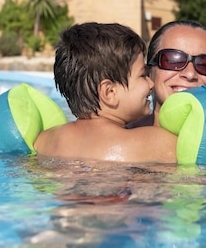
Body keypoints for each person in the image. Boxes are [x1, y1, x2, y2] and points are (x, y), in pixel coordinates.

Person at [34, 22, 177, 163]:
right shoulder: (157, 143)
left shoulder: (44, 140)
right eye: (143, 75)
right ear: (109, 92)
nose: (151, 83)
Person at [130, 20, 206, 128]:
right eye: (173, 60)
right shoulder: (119, 139)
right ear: (148, 71)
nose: (190, 74)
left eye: (205, 65)